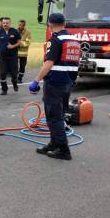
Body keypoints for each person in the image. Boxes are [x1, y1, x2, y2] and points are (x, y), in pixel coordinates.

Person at [29, 13, 81, 160]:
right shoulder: (74, 40)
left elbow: (49, 63)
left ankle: (63, 150)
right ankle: (54, 144)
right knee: (57, 115)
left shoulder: (56, 39)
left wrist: (36, 81)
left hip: (54, 83)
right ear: (64, 23)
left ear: (50, 25)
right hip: (67, 83)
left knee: (54, 117)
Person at [0, 17, 21, 95]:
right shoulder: (0, 32)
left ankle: (15, 84)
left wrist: (12, 46)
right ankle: (4, 89)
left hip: (13, 57)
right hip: (3, 57)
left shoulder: (15, 31)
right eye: (4, 23)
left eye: (6, 23)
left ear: (10, 23)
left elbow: (19, 42)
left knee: (14, 74)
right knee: (2, 73)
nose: (5, 24)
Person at [17, 19, 32, 83]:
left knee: (22, 66)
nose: (20, 26)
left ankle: (20, 78)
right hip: (15, 52)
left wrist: (18, 43)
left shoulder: (28, 32)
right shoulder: (15, 31)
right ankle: (15, 77)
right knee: (14, 66)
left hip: (23, 53)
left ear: (24, 25)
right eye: (19, 24)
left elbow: (28, 42)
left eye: (21, 25)